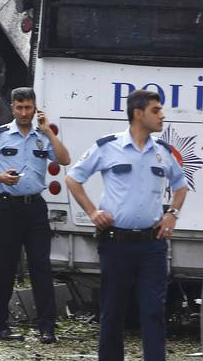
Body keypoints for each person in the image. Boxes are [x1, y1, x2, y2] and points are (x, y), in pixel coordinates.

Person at [65, 90, 188, 361]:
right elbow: (73, 179)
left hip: (152, 245)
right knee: (113, 311)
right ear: (138, 113)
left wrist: (172, 214)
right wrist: (92, 211)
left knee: (153, 311)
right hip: (116, 243)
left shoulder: (163, 152)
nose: (162, 115)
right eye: (156, 110)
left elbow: (181, 187)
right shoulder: (108, 147)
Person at [0, 87, 70, 344]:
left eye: (28, 108)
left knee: (41, 268)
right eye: (20, 108)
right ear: (12, 107)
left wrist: (48, 129)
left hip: (35, 208)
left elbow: (64, 159)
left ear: (35, 107)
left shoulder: (42, 135)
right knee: (5, 267)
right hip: (7, 207)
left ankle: (47, 327)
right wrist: (0, 177)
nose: (24, 113)